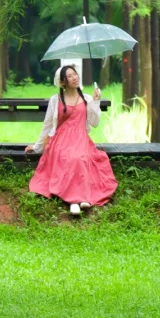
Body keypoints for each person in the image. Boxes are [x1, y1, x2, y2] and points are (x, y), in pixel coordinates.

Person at [26, 64, 118, 215]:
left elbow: (94, 123)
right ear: (62, 82)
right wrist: (37, 147)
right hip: (61, 139)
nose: (74, 78)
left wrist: (95, 101)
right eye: (69, 76)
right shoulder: (56, 100)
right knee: (70, 157)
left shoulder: (87, 98)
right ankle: (74, 201)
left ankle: (82, 199)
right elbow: (47, 124)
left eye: (75, 74)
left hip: (81, 138)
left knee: (81, 157)